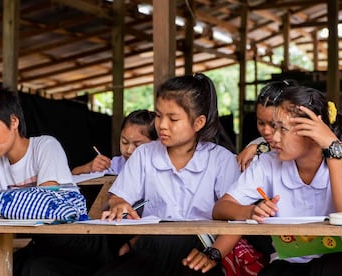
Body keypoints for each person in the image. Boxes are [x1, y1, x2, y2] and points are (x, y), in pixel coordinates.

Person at [213, 85, 342, 276]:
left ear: (311, 133)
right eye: (274, 127)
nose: (274, 137)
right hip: (291, 259)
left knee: (330, 269)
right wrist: (250, 211)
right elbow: (221, 207)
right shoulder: (267, 162)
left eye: (282, 129)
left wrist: (331, 146)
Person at [96, 73, 241, 275]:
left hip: (198, 249)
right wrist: (117, 203)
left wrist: (213, 254)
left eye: (173, 118)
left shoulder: (221, 160)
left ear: (198, 123)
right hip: (152, 245)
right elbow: (119, 197)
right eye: (158, 115)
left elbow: (237, 221)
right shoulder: (144, 154)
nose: (162, 125)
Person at [0, 87, 112, 276]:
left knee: (34, 270)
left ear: (13, 121)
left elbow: (45, 204)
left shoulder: (45, 146)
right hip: (43, 245)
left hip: (77, 244)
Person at [71, 109, 158, 175]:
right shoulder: (115, 165)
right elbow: (72, 175)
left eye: (137, 145)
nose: (128, 150)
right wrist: (89, 167)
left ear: (157, 143)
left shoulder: (161, 168)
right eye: (124, 142)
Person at [236, 80, 297, 172]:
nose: (266, 131)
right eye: (261, 123)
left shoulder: (308, 147)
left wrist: (258, 149)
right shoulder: (254, 147)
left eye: (273, 125)